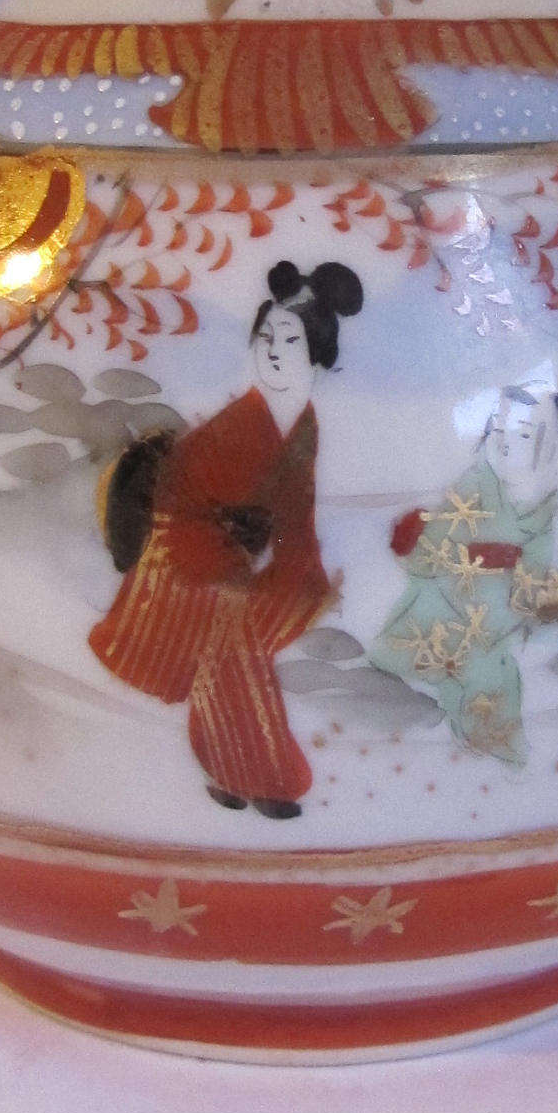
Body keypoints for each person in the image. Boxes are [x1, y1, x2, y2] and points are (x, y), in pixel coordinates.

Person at [89, 260, 362, 820]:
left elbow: (295, 514)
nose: (274, 350)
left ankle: (231, 775)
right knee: (235, 644)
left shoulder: (301, 422)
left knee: (267, 615)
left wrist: (304, 576)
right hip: (180, 553)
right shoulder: (243, 421)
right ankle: (259, 778)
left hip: (228, 553)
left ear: (317, 349)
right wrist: (236, 565)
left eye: (289, 339)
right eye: (266, 337)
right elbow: (183, 506)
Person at [369, 383, 558, 768]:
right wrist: (415, 542)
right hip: (445, 599)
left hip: (495, 611)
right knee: (444, 657)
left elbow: (536, 576)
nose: (506, 442)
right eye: (498, 430)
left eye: (524, 434)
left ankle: (500, 754)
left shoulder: (543, 508)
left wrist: (535, 604)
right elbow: (434, 542)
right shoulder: (473, 483)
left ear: (546, 444)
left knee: (491, 674)